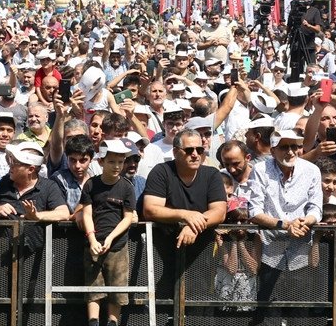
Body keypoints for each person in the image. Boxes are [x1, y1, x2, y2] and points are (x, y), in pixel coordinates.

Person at [245, 129, 323, 325]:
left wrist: (306, 221)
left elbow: (316, 208)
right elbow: (254, 211)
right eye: (284, 147)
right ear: (273, 150)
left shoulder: (311, 170)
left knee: (300, 315)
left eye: (295, 146)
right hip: (270, 253)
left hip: (301, 251)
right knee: (268, 316)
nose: (291, 152)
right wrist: (285, 225)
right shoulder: (260, 170)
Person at [141, 128, 227, 298]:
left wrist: (193, 226)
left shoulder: (212, 174)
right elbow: (150, 209)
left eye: (200, 150)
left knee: (197, 306)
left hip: (200, 255)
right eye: (189, 150)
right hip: (162, 253)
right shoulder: (161, 172)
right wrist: (186, 215)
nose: (195, 154)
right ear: (175, 152)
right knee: (161, 304)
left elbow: (219, 211)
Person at [81, 139, 138, 326]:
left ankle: (113, 322)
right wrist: (92, 239)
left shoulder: (127, 187)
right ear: (101, 162)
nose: (117, 166)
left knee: (117, 289)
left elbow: (128, 217)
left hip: (118, 246)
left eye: (121, 162)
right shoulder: (90, 185)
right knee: (93, 287)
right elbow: (87, 213)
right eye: (112, 161)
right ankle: (93, 322)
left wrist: (112, 237)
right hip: (94, 244)